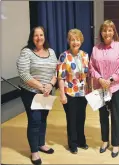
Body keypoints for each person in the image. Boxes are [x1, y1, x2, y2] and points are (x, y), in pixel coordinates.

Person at [17, 26, 57, 165]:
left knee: (43, 119)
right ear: (32, 37)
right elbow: (23, 74)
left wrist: (50, 85)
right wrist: (40, 86)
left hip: (46, 92)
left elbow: (55, 72)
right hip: (31, 92)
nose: (39, 38)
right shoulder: (26, 52)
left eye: (41, 35)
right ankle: (34, 151)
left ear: (44, 36)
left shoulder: (51, 52)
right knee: (34, 120)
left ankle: (41, 144)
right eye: (36, 35)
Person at [89, 20, 119, 158]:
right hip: (100, 88)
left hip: (116, 87)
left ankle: (115, 144)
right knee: (103, 116)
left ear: (114, 32)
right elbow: (91, 67)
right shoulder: (95, 48)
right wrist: (100, 79)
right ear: (101, 32)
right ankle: (105, 141)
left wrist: (110, 80)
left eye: (110, 30)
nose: (107, 33)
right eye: (104, 30)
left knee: (116, 116)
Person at [57, 29, 90, 154]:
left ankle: (82, 141)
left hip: (83, 93)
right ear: (68, 41)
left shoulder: (85, 55)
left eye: (77, 39)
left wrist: (89, 90)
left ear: (81, 40)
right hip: (69, 92)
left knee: (81, 118)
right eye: (72, 40)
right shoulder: (64, 56)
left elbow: (87, 75)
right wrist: (61, 94)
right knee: (72, 119)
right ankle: (73, 144)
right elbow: (60, 77)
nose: (75, 42)